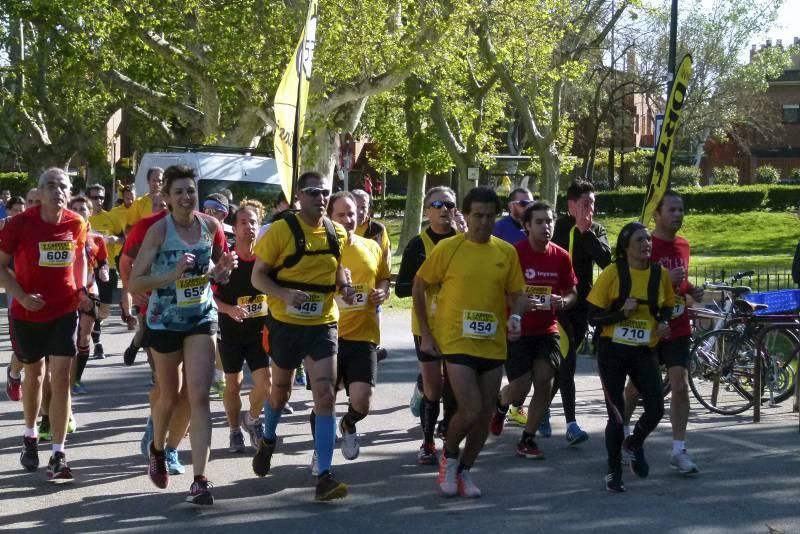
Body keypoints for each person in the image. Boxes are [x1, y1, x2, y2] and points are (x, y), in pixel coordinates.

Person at [129, 164, 236, 505]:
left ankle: (200, 480)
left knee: (200, 396)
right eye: (179, 192)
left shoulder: (211, 226)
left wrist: (222, 271)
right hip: (163, 321)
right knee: (169, 395)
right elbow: (135, 282)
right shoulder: (159, 232)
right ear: (168, 198)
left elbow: (216, 275)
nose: (187, 197)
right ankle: (158, 449)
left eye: (191, 190)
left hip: (202, 318)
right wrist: (171, 275)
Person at [414, 186, 526, 498]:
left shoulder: (506, 252)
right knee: (471, 407)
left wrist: (516, 316)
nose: (483, 222)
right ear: (465, 215)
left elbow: (518, 294)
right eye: (477, 215)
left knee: (486, 413)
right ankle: (448, 457)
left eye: (490, 216)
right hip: (456, 341)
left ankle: (464, 470)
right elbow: (419, 285)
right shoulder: (448, 249)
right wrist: (425, 331)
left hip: (492, 343)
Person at [250, 170, 354, 502]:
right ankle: (267, 438)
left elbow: (336, 268)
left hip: (323, 323)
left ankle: (323, 475)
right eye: (313, 192)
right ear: (299, 195)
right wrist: (283, 294)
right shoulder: (281, 231)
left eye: (325, 193)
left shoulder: (337, 232)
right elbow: (258, 277)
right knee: (280, 392)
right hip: (285, 323)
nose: (320, 198)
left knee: (325, 394)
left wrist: (346, 287)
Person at [0, 168, 91, 483]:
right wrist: (21, 296)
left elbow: (79, 258)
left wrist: (82, 290)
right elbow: (0, 266)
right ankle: (29, 436)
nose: (57, 190)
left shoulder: (76, 222)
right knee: (35, 375)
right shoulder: (20, 224)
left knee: (62, 378)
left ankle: (58, 453)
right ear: (40, 191)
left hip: (64, 310)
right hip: (28, 313)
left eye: (62, 185)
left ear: (69, 191)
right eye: (50, 185)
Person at [587, 221, 674, 493]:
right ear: (626, 247)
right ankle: (614, 472)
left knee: (657, 408)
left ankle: (634, 444)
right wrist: (621, 314)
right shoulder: (613, 273)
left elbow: (668, 306)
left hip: (644, 350)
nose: (646, 244)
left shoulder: (660, 275)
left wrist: (664, 323)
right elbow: (593, 318)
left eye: (648, 239)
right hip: (612, 350)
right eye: (639, 240)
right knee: (616, 415)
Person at [490, 201, 578, 460]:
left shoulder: (561, 256)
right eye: (539, 222)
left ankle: (527, 439)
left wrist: (564, 301)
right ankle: (501, 404)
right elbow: (499, 292)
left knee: (544, 381)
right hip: (517, 329)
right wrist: (518, 305)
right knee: (520, 387)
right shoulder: (513, 254)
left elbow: (572, 291)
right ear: (527, 226)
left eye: (549, 221)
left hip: (547, 330)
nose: (546, 226)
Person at [624, 190, 703, 475]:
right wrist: (662, 280)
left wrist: (691, 289)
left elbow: (679, 283)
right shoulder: (645, 244)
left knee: (680, 385)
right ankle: (622, 435)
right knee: (635, 388)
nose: (678, 215)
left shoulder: (683, 245)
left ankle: (678, 450)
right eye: (671, 210)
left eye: (680, 209)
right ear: (656, 215)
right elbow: (632, 285)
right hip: (649, 326)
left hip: (678, 325)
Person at [312, 191, 390, 467]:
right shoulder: (319, 248)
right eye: (341, 215)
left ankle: (347, 424)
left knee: (362, 401)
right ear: (328, 218)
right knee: (324, 399)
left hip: (363, 334)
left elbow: (383, 279)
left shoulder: (372, 246)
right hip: (326, 334)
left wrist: (381, 293)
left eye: (352, 213)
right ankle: (320, 454)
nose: (348, 219)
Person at [395, 186, 458, 465]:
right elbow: (400, 289)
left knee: (456, 384)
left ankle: (449, 436)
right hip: (427, 326)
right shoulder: (417, 245)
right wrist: (430, 282)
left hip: (458, 325)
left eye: (450, 204)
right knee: (434, 386)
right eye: (438, 204)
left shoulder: (463, 241)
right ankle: (427, 441)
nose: (445, 209)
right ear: (427, 210)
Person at [549, 180, 611, 443]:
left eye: (593, 204)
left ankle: (538, 410)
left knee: (561, 363)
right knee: (568, 363)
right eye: (585, 204)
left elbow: (607, 262)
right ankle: (571, 424)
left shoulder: (597, 230)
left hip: (582, 305)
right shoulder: (557, 227)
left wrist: (587, 234)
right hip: (557, 304)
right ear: (571, 206)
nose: (591, 209)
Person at [212, 200, 270, 454]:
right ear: (234, 228)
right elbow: (210, 295)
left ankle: (253, 418)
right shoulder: (227, 260)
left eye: (253, 222)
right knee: (233, 384)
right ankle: (235, 430)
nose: (249, 227)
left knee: (265, 384)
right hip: (231, 331)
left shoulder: (267, 259)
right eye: (243, 222)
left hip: (259, 333)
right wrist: (229, 310)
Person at [491, 187, 535, 427]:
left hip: (531, 304)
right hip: (505, 305)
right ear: (511, 206)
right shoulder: (500, 229)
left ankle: (518, 407)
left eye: (532, 201)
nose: (528, 206)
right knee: (510, 367)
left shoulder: (534, 228)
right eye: (524, 202)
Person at [68, 196, 109, 394]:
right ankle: (64, 376)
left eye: (83, 209)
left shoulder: (97, 239)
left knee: (83, 337)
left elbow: (103, 262)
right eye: (74, 208)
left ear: (90, 212)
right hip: (68, 291)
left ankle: (76, 379)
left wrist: (104, 271)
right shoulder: (65, 237)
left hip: (90, 290)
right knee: (69, 337)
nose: (79, 212)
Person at [351, 188, 391, 362]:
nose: (360, 211)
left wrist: (384, 288)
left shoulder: (377, 230)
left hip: (370, 289)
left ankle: (373, 346)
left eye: (364, 207)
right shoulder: (338, 226)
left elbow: (385, 260)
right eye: (356, 206)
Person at [86, 184, 125, 358]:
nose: (99, 201)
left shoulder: (110, 217)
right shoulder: (82, 218)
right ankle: (97, 343)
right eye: (95, 197)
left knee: (104, 311)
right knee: (92, 307)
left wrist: (114, 239)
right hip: (87, 270)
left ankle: (92, 325)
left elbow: (123, 238)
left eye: (101, 197)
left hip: (107, 268)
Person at [3, 196, 28, 402]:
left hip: (41, 292)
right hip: (15, 288)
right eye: (15, 210)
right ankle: (14, 373)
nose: (19, 213)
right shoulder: (5, 230)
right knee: (22, 349)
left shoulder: (34, 227)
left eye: (23, 209)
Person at [110, 186, 136, 329]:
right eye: (127, 197)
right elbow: (113, 233)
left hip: (139, 251)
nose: (130, 200)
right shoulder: (115, 212)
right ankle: (129, 314)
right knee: (127, 284)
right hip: (122, 252)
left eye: (132, 196)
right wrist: (122, 237)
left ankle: (129, 308)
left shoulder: (139, 208)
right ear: (123, 197)